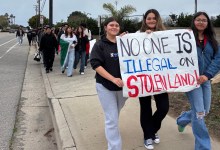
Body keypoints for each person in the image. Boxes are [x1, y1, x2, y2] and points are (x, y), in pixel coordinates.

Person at [176, 11, 220, 150]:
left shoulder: (212, 41)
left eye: (204, 20)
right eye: (198, 20)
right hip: (190, 81)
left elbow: (218, 59)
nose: (201, 22)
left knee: (204, 111)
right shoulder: (185, 37)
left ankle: (182, 119)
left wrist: (207, 75)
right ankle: (203, 146)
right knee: (200, 113)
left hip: (205, 80)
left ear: (208, 23)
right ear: (194, 21)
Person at [90, 17, 128, 150]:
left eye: (117, 25)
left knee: (115, 113)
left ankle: (111, 129)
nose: (114, 27)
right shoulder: (99, 45)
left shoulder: (124, 43)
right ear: (105, 27)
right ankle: (114, 147)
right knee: (112, 118)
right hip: (105, 86)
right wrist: (112, 79)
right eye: (111, 25)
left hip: (123, 88)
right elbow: (95, 65)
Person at [137, 9, 169, 150]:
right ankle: (147, 136)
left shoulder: (165, 35)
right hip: (143, 79)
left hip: (160, 78)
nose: (151, 21)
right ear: (145, 20)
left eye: (154, 18)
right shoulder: (138, 35)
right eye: (148, 18)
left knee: (163, 108)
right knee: (146, 108)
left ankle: (152, 129)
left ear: (158, 19)